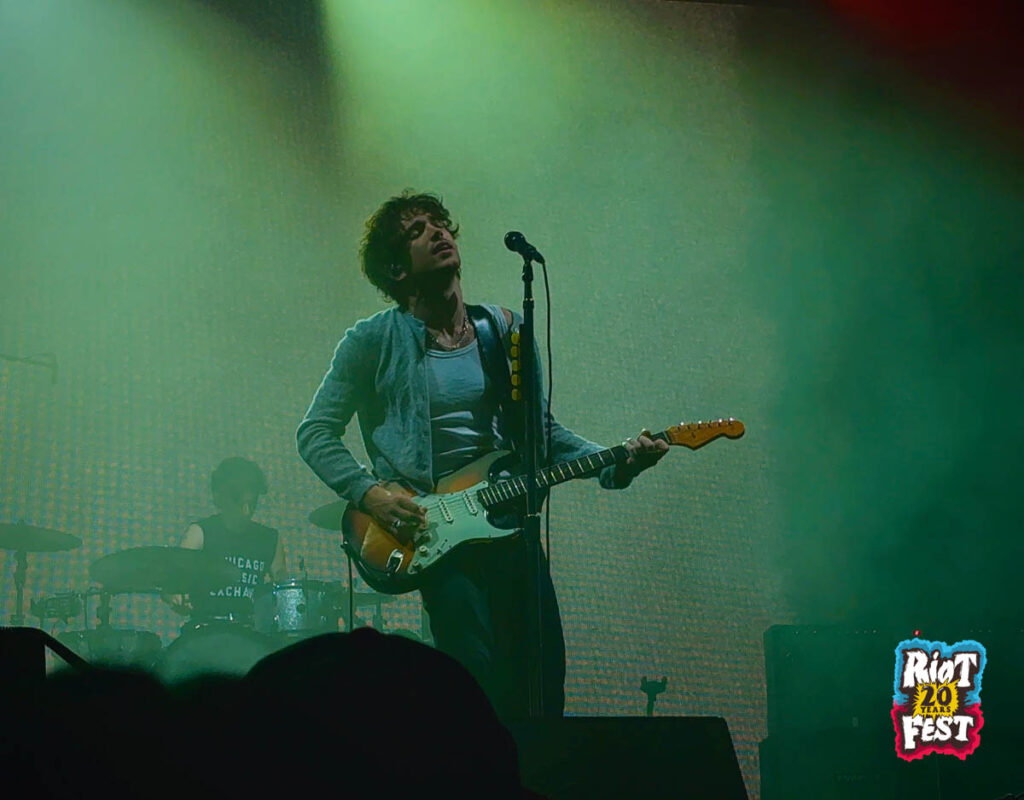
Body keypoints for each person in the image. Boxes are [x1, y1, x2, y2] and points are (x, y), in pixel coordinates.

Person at [296, 190, 667, 717]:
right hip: (435, 532)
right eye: (417, 231)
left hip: (509, 523)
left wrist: (615, 461)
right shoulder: (371, 341)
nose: (437, 233)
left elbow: (541, 434)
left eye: (439, 223)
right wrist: (370, 495)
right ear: (397, 269)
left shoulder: (504, 330)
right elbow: (315, 432)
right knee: (471, 677)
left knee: (541, 680)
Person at [164, 456, 287, 621]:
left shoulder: (270, 538)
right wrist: (175, 596)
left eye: (252, 504)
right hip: (207, 628)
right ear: (219, 498)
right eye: (239, 503)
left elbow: (283, 588)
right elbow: (170, 581)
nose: (246, 512)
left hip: (251, 630)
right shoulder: (200, 532)